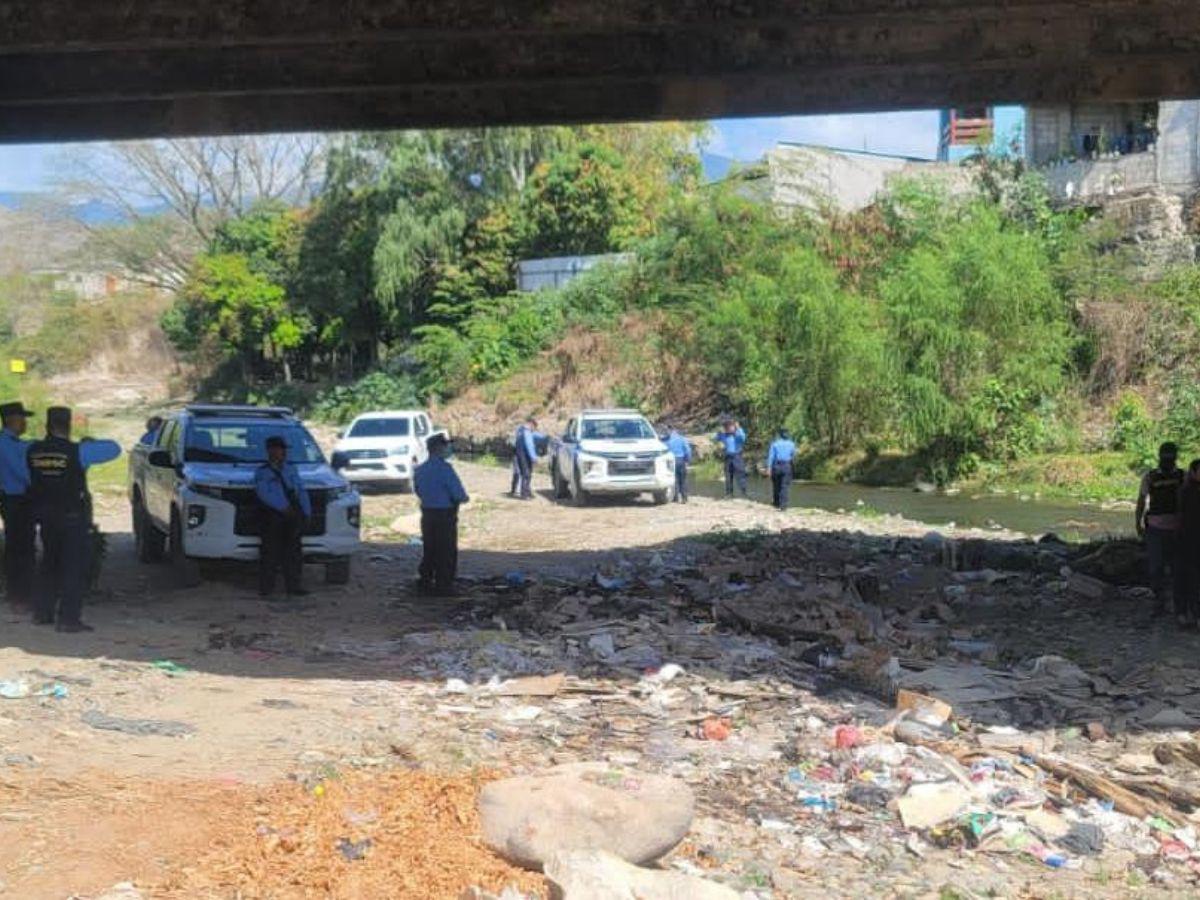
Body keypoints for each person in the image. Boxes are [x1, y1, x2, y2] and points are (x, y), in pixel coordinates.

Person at [26, 406, 120, 632]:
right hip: (72, 517)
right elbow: (114, 449)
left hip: (45, 516)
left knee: (49, 563)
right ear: (68, 426)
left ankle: (43, 613)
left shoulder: (32, 450)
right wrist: (87, 444)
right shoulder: (77, 451)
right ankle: (68, 619)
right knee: (73, 568)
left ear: (47, 425)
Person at [254, 435, 311, 598]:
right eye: (280, 449)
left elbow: (300, 491)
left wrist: (306, 512)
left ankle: (294, 586)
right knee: (270, 552)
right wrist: (282, 507)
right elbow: (265, 493)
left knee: (294, 552)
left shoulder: (290, 469)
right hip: (273, 516)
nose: (283, 452)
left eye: (284, 449)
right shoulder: (263, 472)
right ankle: (267, 588)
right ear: (271, 450)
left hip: (293, 515)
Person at [413, 433, 469, 596]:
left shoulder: (420, 470)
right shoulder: (445, 469)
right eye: (446, 445)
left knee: (429, 548)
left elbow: (418, 491)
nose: (448, 448)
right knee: (446, 551)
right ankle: (443, 586)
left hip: (427, 514)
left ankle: (425, 581)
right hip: (445, 515)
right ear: (438, 448)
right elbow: (459, 495)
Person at [1137, 441, 1185, 614]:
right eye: (1165, 456)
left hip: (1177, 529)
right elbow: (1141, 500)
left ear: (1175, 457)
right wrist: (1138, 522)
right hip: (1155, 529)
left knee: (1176, 567)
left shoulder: (1183, 476)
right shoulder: (1150, 477)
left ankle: (1177, 603)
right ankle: (1160, 601)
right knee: (1156, 567)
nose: (1167, 460)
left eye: (1170, 457)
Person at [0, 401, 35, 610]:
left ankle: (19, 591)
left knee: (21, 545)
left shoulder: (15, 442)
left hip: (16, 498)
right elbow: (22, 472)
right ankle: (18, 594)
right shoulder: (5, 444)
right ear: (13, 420)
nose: (24, 423)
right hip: (15, 498)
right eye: (22, 419)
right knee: (19, 546)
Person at [1177, 459, 1200, 629]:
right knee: (1185, 578)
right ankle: (1183, 613)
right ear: (1192, 472)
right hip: (1185, 540)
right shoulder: (1185, 491)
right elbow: (1179, 516)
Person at [713, 418, 748, 499]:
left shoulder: (737, 435)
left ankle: (744, 493)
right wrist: (719, 432)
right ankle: (729, 494)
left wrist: (738, 428)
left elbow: (743, 437)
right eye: (726, 426)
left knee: (740, 475)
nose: (727, 428)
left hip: (737, 456)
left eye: (729, 426)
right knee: (728, 476)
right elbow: (715, 439)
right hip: (728, 457)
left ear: (733, 426)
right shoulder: (724, 435)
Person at [767, 428, 797, 511]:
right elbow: (793, 456)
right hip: (787, 466)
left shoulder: (775, 444)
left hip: (776, 465)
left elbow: (771, 457)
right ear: (787, 434)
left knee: (776, 485)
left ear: (780, 435)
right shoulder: (792, 444)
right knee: (785, 486)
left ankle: (776, 503)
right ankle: (783, 506)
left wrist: (769, 468)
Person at [514, 417, 543, 500]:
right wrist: (534, 458)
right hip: (524, 456)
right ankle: (525, 494)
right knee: (526, 474)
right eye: (534, 427)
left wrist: (545, 437)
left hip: (519, 454)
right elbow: (529, 445)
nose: (534, 429)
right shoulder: (526, 432)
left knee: (525, 474)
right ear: (531, 424)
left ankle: (527, 492)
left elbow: (535, 435)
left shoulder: (520, 430)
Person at [664, 425, 692, 503]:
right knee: (683, 480)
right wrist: (688, 460)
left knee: (674, 479)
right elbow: (688, 451)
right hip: (681, 460)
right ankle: (684, 498)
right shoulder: (682, 439)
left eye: (666, 430)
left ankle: (675, 497)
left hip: (671, 461)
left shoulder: (666, 440)